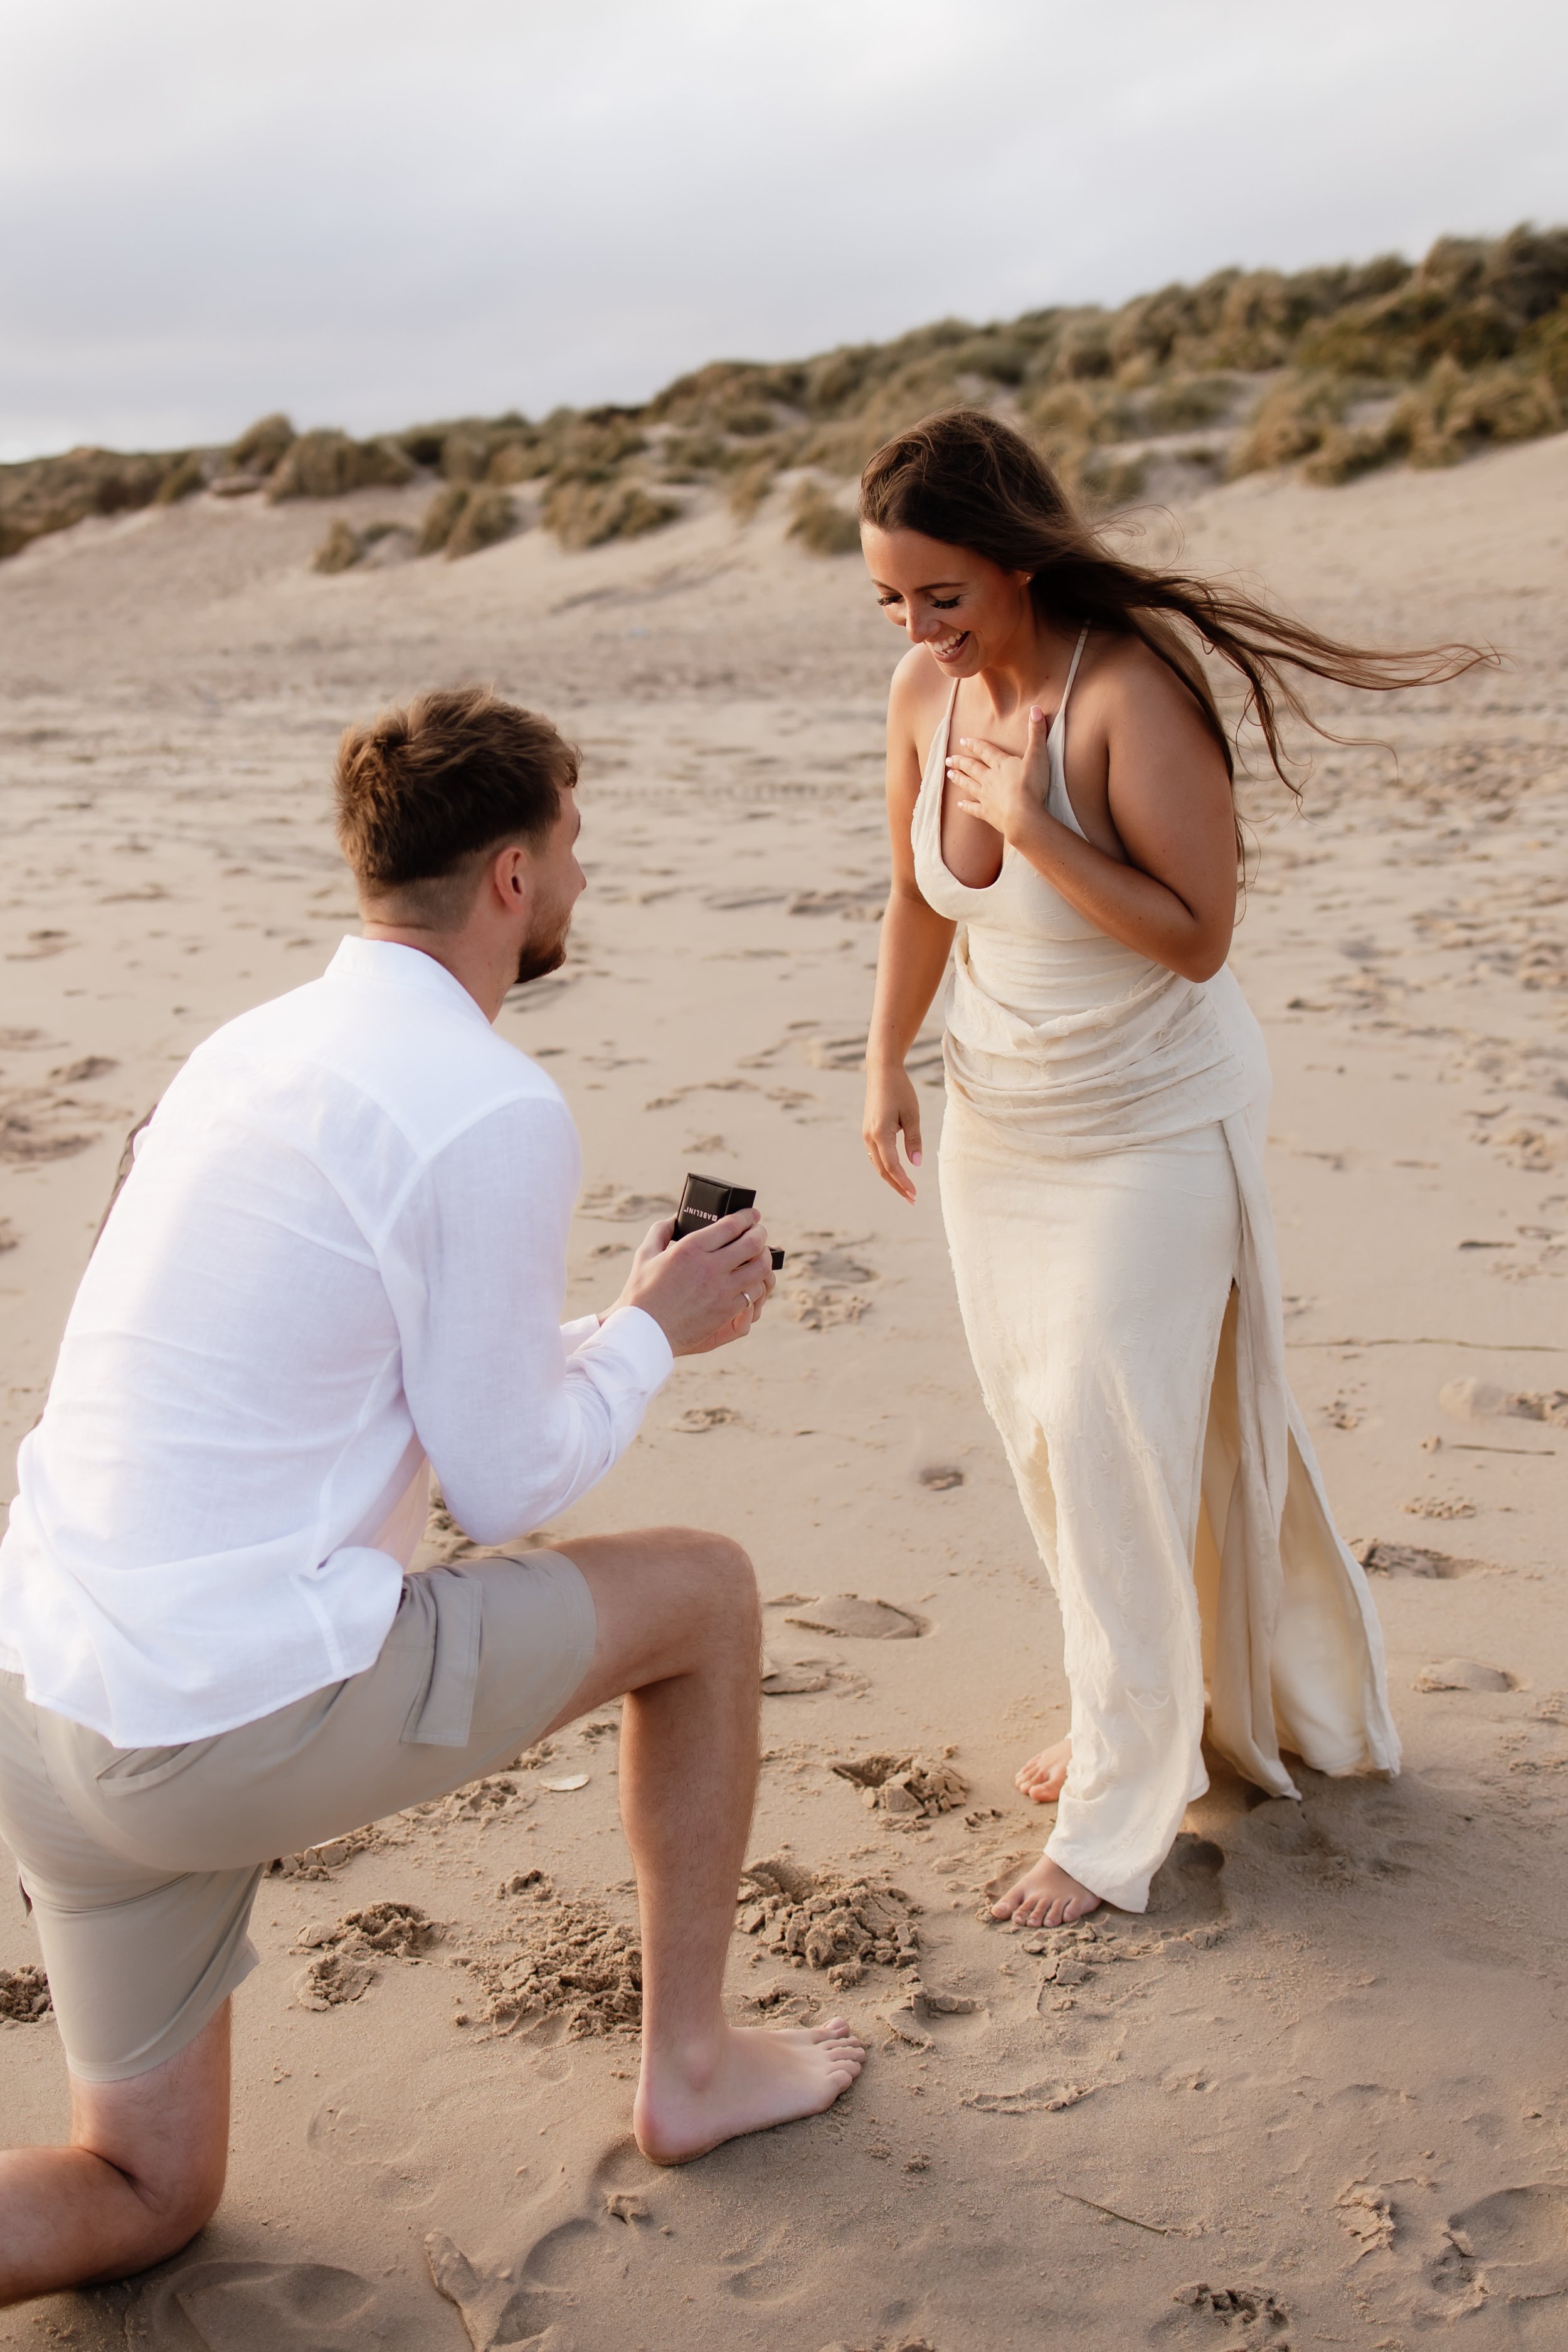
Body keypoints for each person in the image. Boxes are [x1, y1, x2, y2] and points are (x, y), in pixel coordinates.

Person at [0, 686, 864, 2307]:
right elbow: (504, 1478)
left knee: (145, 2185)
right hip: (211, 1720)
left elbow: (342, 1366)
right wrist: (654, 1335)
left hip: (43, 1695)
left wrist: (604, 1322)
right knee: (707, 1595)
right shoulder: (485, 1102)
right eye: (575, 844)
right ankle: (690, 2062)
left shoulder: (243, 1048)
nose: (584, 879)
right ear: (512, 878)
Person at [859, 410, 1484, 1934]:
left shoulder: (1125, 693)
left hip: (1151, 1117)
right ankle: (1126, 1700)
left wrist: (1028, 822)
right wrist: (881, 1059)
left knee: (1105, 1428)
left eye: (940, 595)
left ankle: (1114, 1811)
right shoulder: (918, 697)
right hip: (1002, 1115)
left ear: (1011, 562)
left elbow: (1195, 935)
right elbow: (914, 897)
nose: (917, 628)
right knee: (1050, 1441)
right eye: (889, 601)